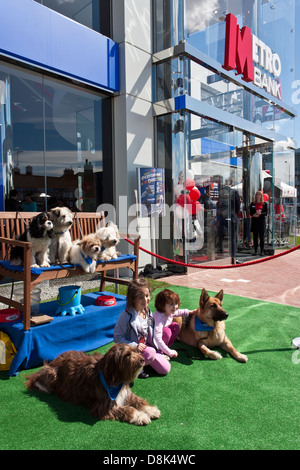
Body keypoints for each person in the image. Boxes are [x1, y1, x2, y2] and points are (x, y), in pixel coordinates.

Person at [114, 278, 171, 378]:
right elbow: (117, 338)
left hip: (146, 348)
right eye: (140, 297)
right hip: (132, 352)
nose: (145, 300)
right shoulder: (126, 316)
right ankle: (135, 368)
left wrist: (158, 350)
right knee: (150, 353)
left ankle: (147, 361)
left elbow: (150, 332)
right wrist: (134, 345)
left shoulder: (147, 312)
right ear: (132, 299)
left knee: (165, 368)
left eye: (147, 295)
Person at [153, 289, 197, 358]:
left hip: (161, 338)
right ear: (161, 305)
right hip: (153, 341)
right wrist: (170, 352)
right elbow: (157, 338)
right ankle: (159, 352)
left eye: (176, 303)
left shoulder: (168, 311)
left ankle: (166, 348)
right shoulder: (159, 318)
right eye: (171, 304)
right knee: (167, 331)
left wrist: (189, 312)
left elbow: (178, 312)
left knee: (175, 326)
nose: (175, 307)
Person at [249, 190, 268, 255]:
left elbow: (266, 213)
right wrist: (254, 214)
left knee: (261, 237)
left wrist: (260, 213)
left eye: (259, 195)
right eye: (257, 195)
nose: (258, 196)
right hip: (255, 222)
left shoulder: (264, 204)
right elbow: (251, 213)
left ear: (261, 196)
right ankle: (255, 250)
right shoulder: (252, 204)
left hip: (261, 222)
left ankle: (262, 251)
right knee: (255, 237)